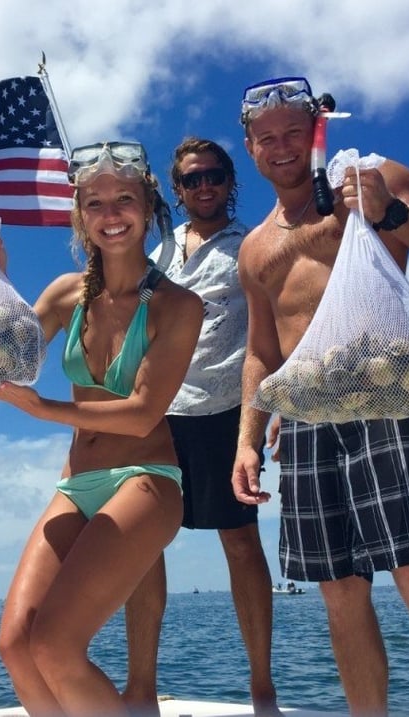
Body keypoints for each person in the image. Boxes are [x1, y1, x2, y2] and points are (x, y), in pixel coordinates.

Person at [232, 76, 409, 717]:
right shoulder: (256, 247)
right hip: (308, 418)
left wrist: (390, 214)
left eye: (294, 131)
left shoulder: (373, 178)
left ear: (319, 127)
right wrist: (246, 439)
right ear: (250, 147)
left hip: (388, 398)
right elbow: (263, 350)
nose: (281, 147)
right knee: (338, 592)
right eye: (267, 138)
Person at [0, 141, 203, 717]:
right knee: (16, 646)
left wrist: (42, 409)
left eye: (124, 199)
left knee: (55, 645)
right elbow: (1, 355)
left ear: (148, 206)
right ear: (79, 215)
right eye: (95, 203)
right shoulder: (66, 295)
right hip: (76, 484)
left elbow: (144, 410)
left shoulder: (178, 306)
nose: (110, 214)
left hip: (146, 479)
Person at [123, 137, 280, 717]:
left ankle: (262, 689)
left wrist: (278, 405)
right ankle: (141, 691)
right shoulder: (157, 255)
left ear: (229, 181)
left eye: (214, 175)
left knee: (240, 543)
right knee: (142, 547)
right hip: (158, 416)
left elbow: (276, 329)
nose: (204, 186)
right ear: (179, 189)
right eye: (192, 179)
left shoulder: (251, 246)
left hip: (223, 414)